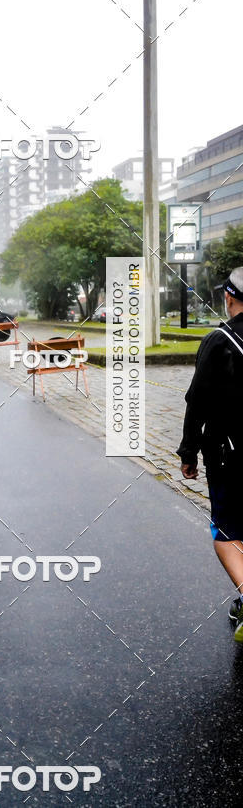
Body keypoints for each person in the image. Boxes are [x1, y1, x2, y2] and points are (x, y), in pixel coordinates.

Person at [178, 267, 243, 641]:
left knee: (227, 531)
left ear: (229, 297)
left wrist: (188, 452)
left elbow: (197, 402)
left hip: (228, 455)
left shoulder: (220, 341)